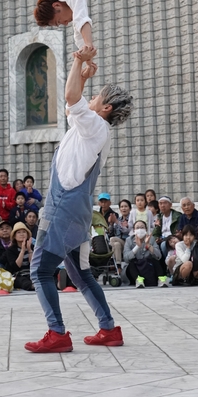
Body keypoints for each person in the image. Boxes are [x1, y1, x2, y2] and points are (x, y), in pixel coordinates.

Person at [26, 45, 133, 353]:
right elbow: (71, 106)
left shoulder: (95, 125)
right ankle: (108, 329)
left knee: (40, 271)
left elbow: (71, 98)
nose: (92, 97)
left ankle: (57, 333)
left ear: (106, 108)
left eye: (97, 96)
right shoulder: (92, 128)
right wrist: (83, 77)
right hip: (78, 210)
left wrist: (77, 59)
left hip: (63, 207)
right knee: (81, 273)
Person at [123, 220, 164, 288]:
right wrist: (137, 247)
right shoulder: (129, 240)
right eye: (137, 228)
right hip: (135, 268)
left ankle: (161, 279)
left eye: (142, 227)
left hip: (148, 267)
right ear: (134, 230)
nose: (140, 230)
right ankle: (139, 280)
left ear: (146, 229)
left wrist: (149, 245)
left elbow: (159, 256)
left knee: (155, 260)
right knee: (131, 262)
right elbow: (126, 258)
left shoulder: (151, 239)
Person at [4, 222, 35, 291]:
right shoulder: (11, 250)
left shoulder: (33, 247)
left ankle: (58, 284)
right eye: (19, 232)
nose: (22, 234)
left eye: (24, 232)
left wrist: (29, 250)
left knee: (44, 277)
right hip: (18, 274)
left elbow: (33, 265)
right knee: (22, 281)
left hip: (31, 273)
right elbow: (16, 267)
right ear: (15, 236)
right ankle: (33, 286)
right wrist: (22, 251)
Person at [108, 198, 131, 268]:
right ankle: (118, 266)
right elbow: (110, 232)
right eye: (122, 207)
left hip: (127, 243)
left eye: (126, 206)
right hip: (119, 243)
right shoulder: (118, 219)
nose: (123, 208)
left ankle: (112, 259)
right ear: (119, 209)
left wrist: (116, 222)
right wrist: (111, 223)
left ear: (130, 208)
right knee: (116, 244)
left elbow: (126, 231)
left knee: (112, 239)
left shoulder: (131, 219)